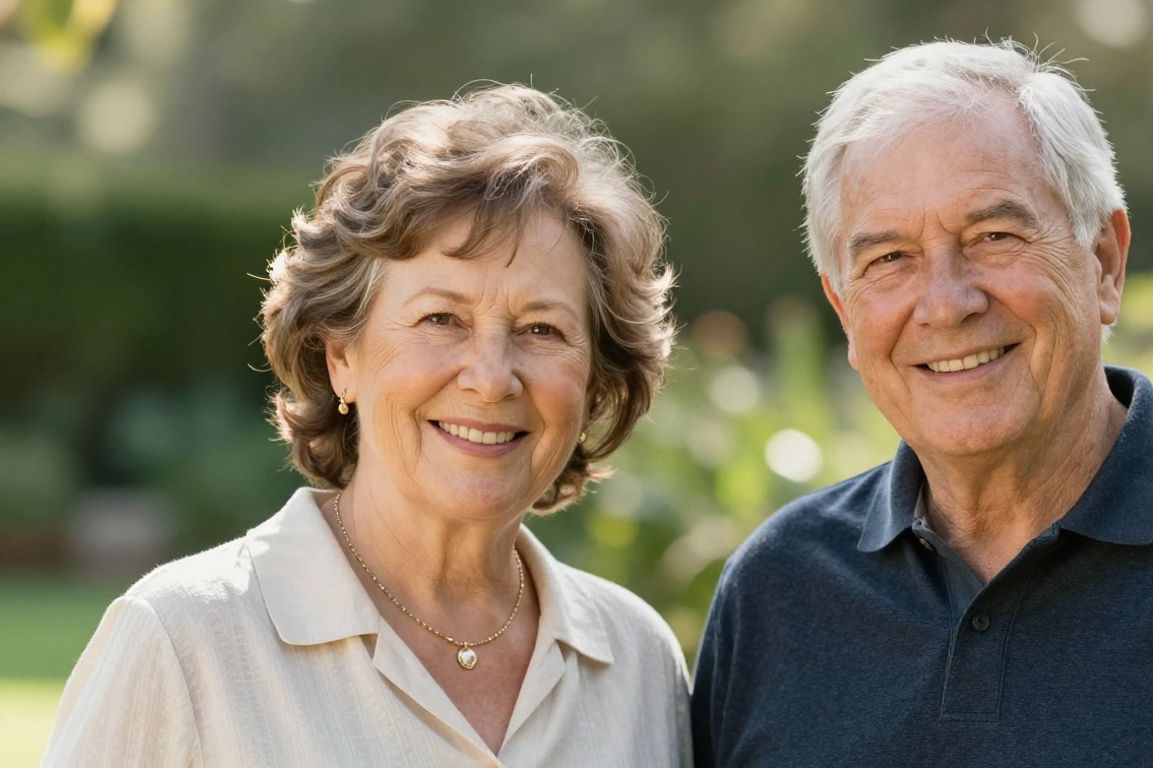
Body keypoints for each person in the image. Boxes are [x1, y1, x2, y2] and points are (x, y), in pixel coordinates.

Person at [692, 40, 1153, 766]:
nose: (947, 304)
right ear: (844, 307)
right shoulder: (776, 594)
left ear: (1104, 261)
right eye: (890, 259)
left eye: (994, 236)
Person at [45, 84, 691, 766]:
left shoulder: (637, 663)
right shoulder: (184, 643)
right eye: (442, 319)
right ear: (342, 356)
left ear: (593, 384)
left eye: (542, 329)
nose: (492, 376)